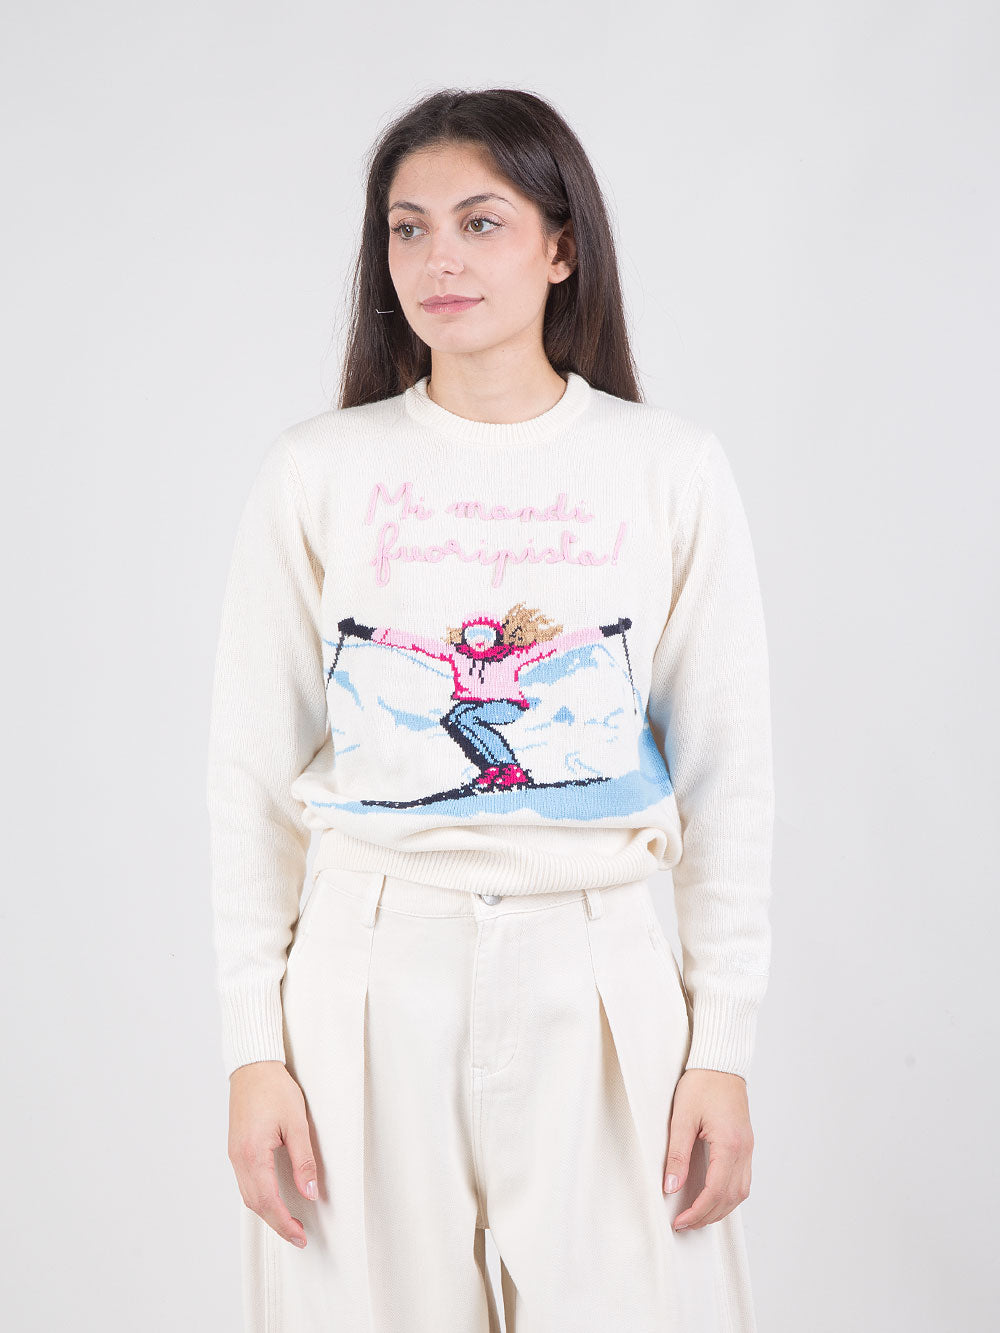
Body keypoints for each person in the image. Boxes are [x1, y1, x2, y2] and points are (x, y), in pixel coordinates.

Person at [207, 86, 774, 1332]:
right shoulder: (317, 470)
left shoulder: (666, 468)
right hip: (367, 971)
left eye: (479, 222)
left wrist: (718, 1045)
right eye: (406, 229)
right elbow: (249, 774)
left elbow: (727, 772)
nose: (438, 261)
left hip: (600, 966)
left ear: (560, 247)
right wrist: (256, 1047)